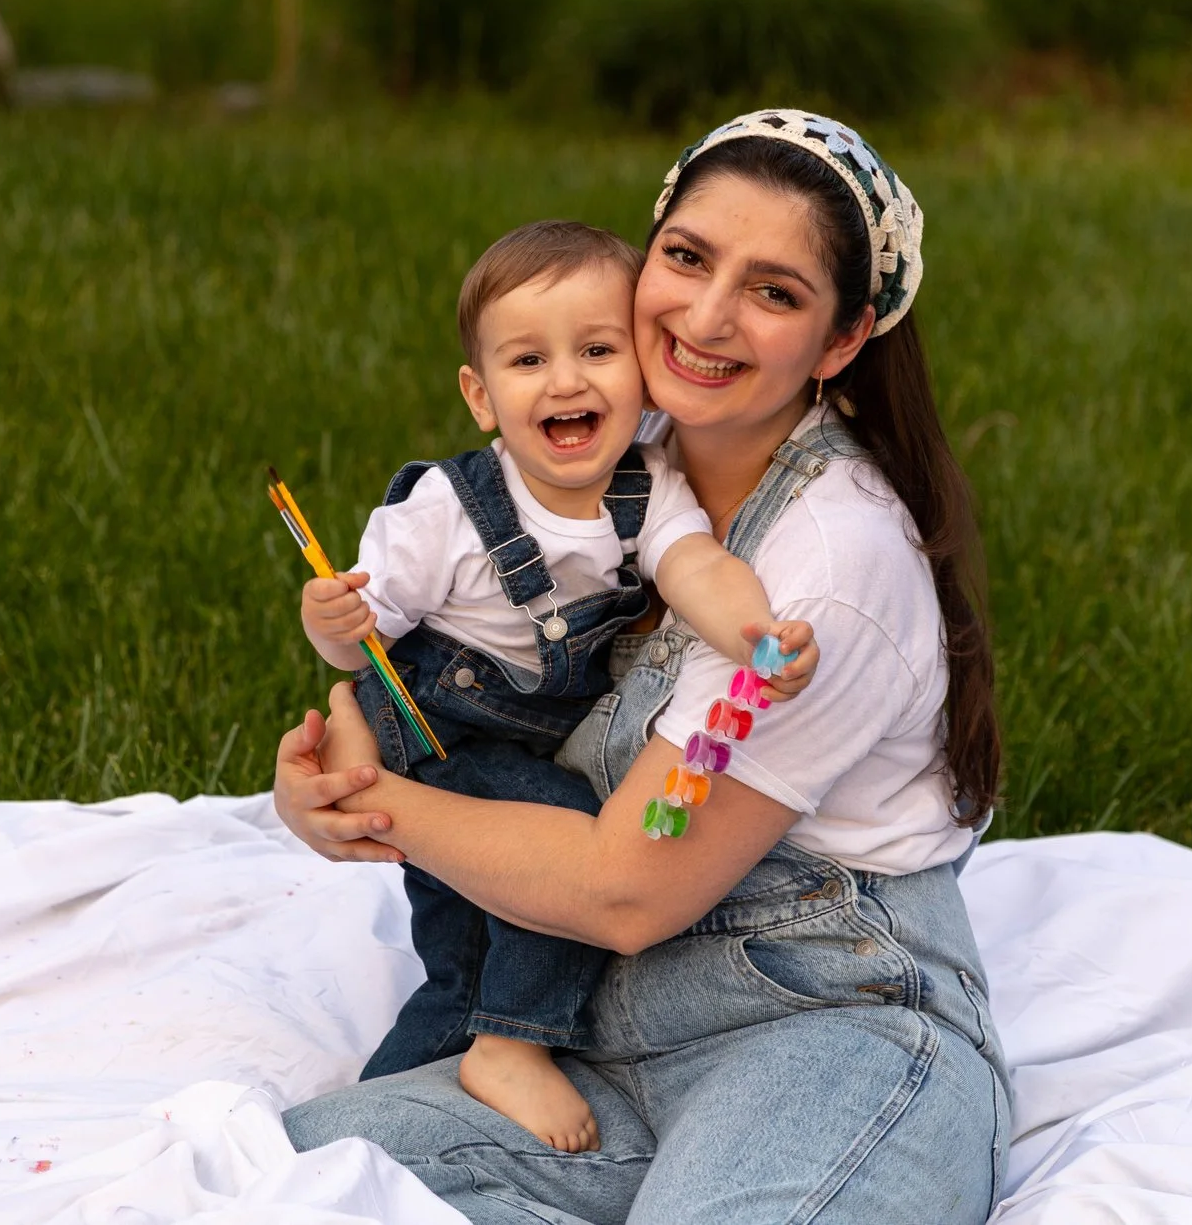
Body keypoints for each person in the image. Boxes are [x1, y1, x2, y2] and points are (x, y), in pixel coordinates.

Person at [276, 109, 1011, 1225]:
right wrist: (332, 765)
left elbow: (630, 882)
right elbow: (441, 633)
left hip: (819, 1020)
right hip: (599, 1024)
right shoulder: (620, 456)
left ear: (843, 338)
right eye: (686, 257)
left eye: (773, 292)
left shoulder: (828, 564)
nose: (705, 316)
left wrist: (382, 808)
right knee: (297, 1171)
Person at [296, 218, 819, 1153]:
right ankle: (511, 1044)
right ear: (481, 395)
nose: (568, 379)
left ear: (639, 370)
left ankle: (366, 1136)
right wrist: (331, 629)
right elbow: (361, 637)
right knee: (560, 840)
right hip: (438, 725)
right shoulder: (444, 512)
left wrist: (756, 636)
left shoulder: (646, 486)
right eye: (529, 359)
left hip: (526, 727)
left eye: (597, 349)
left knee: (462, 953)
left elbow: (696, 567)